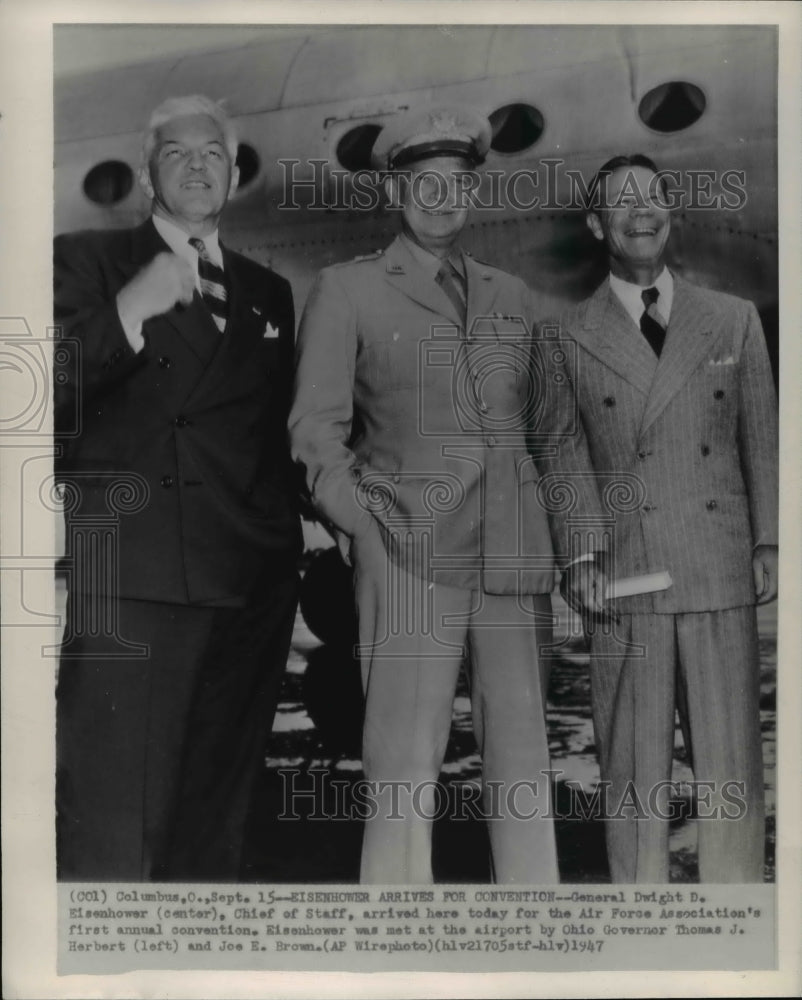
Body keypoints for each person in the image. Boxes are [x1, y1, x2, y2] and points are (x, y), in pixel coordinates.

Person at [289, 105, 604, 884]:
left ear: (472, 192)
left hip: (512, 560)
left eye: (456, 183)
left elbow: (555, 434)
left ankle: (530, 935)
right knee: (401, 763)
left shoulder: (512, 296)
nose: (441, 198)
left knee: (524, 763)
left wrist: (579, 543)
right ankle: (398, 942)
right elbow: (313, 431)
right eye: (423, 182)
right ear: (396, 189)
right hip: (407, 562)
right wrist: (365, 525)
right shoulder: (348, 288)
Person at [53, 94, 302, 881]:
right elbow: (38, 393)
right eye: (177, 155)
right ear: (145, 176)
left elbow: (269, 433)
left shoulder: (267, 291)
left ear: (232, 175)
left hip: (247, 579)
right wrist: (132, 308)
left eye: (213, 156)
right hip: (134, 571)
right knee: (117, 812)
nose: (198, 167)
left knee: (215, 810)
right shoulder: (86, 261)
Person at [562, 153, 777, 882]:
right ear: (597, 226)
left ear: (668, 211)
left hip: (716, 567)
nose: (640, 211)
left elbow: (763, 440)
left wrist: (770, 539)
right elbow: (563, 458)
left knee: (731, 778)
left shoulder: (732, 319)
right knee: (630, 780)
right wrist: (580, 559)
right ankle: (638, 934)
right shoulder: (565, 336)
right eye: (620, 203)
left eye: (651, 196)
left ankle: (735, 928)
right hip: (627, 578)